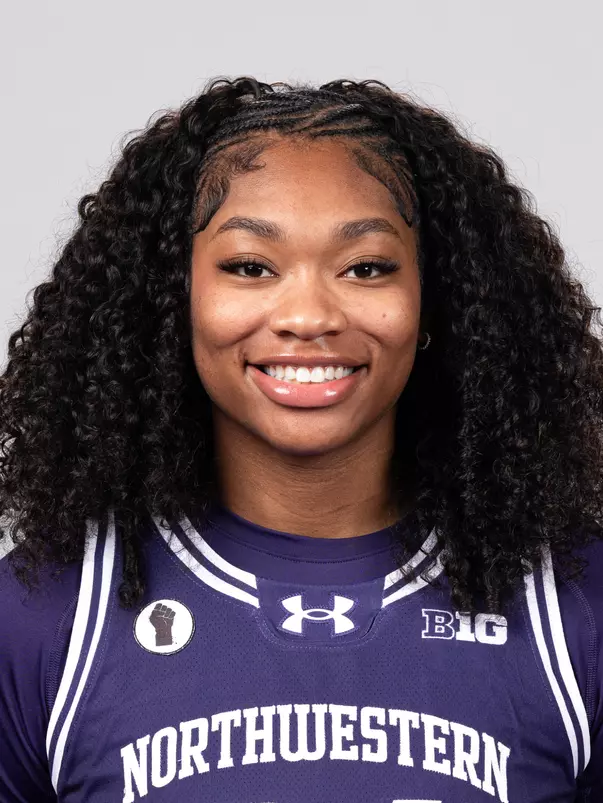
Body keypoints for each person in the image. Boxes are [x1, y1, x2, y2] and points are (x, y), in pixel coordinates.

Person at [0, 75, 601, 803]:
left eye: (366, 267)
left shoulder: (573, 606)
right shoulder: (44, 614)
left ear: (435, 302)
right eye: (249, 267)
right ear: (172, 302)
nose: (308, 315)